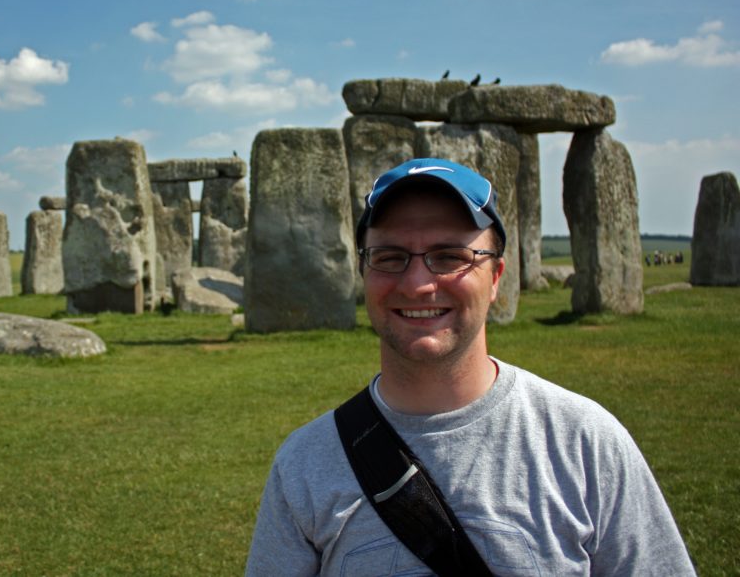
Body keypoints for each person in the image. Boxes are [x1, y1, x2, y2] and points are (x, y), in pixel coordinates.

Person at [245, 158, 695, 576]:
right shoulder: (304, 466)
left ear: (497, 277)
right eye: (389, 257)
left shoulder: (586, 443)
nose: (419, 284)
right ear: (363, 273)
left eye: (450, 257)